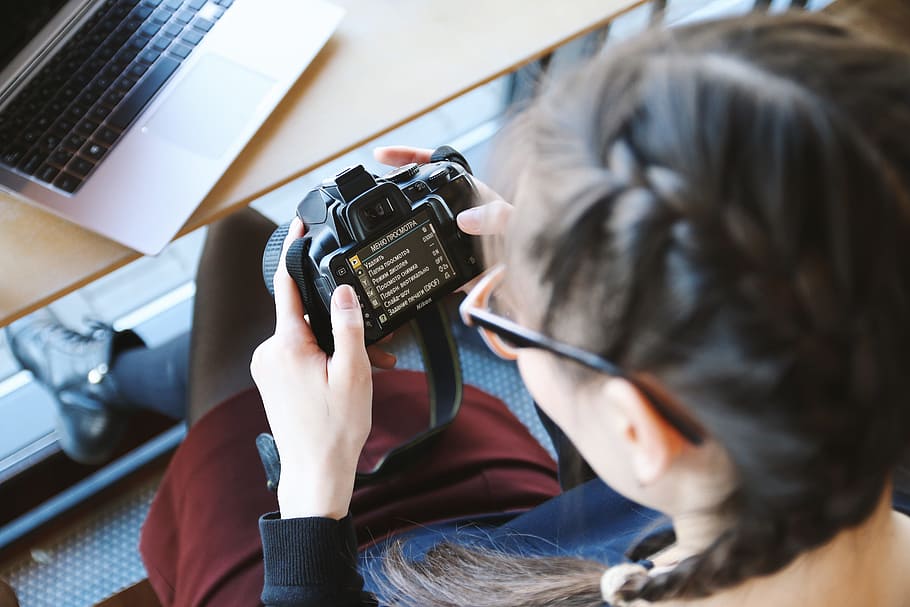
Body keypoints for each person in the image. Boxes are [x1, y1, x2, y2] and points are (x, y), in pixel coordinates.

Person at [7, 10, 910, 607]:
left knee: (240, 256)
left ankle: (104, 380)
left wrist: (314, 490)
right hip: (583, 515)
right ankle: (113, 376)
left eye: (517, 321)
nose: (501, 312)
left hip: (400, 555)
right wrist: (588, 274)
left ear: (642, 425)